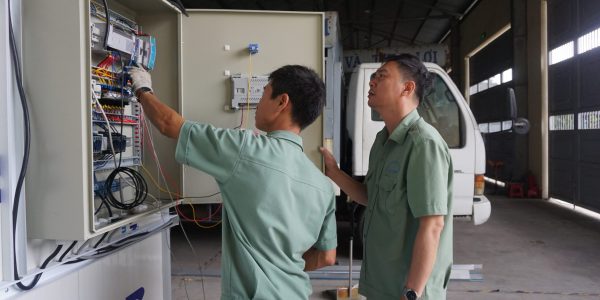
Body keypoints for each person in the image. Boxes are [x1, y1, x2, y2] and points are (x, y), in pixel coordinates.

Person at [129, 64, 337, 299]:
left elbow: (169, 124)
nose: (257, 103)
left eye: (263, 94)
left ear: (282, 102)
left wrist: (142, 88)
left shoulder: (245, 149)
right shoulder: (323, 186)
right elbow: (326, 256)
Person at [320, 53, 453, 300]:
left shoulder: (423, 144)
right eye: (373, 77)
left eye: (381, 77)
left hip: (408, 287)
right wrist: (334, 173)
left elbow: (432, 225)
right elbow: (369, 196)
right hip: (383, 281)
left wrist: (411, 292)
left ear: (407, 88)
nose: (372, 82)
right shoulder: (383, 141)